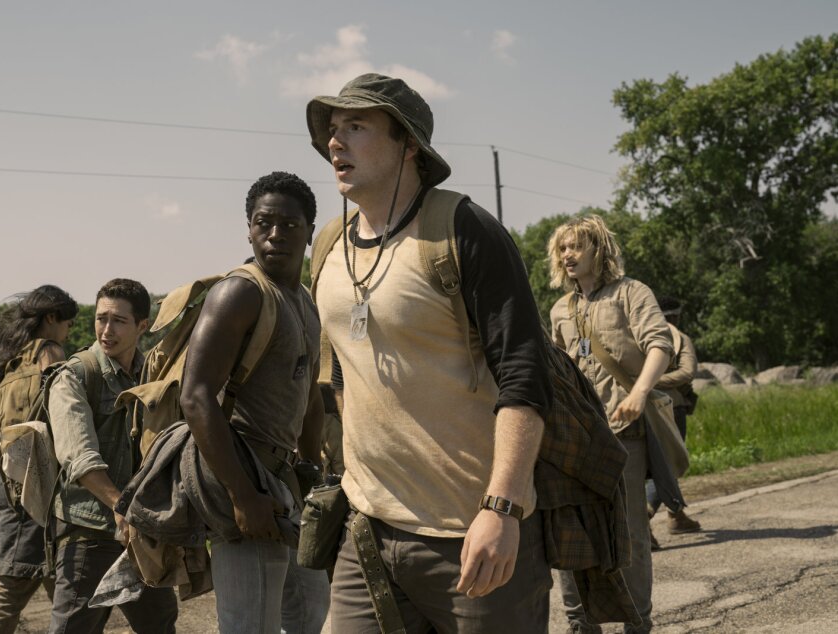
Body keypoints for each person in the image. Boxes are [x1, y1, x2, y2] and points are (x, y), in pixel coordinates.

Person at [307, 73, 554, 631]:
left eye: (356, 126)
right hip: (367, 528)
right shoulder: (328, 245)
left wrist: (502, 509)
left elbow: (525, 375)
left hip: (472, 533)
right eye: (333, 129)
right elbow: (341, 372)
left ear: (409, 145)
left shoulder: (463, 229)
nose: (334, 142)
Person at [180, 171, 331, 634]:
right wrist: (243, 495)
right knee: (250, 625)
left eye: (289, 225)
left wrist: (313, 473)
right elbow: (195, 395)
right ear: (249, 229)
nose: (275, 234)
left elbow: (309, 397)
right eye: (264, 223)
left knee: (309, 612)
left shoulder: (305, 301)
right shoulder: (241, 292)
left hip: (287, 484)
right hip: (243, 476)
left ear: (309, 232)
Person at [548, 215, 674, 634]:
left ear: (598, 249)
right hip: (575, 438)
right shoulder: (560, 309)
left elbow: (660, 345)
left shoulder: (631, 293)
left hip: (624, 432)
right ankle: (581, 624)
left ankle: (638, 623)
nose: (568, 255)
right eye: (563, 248)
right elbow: (556, 371)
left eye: (576, 246)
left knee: (631, 531)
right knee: (570, 532)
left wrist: (639, 393)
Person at [47, 278, 178, 633]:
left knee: (159, 625)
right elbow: (79, 456)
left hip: (143, 531)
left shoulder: (153, 376)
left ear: (142, 326)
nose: (106, 330)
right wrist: (121, 507)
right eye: (101, 318)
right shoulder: (76, 375)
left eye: (118, 321)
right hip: (90, 531)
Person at [0, 285, 77, 634]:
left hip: (10, 477)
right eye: (69, 323)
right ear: (52, 317)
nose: (69, 331)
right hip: (32, 481)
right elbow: (63, 414)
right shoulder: (48, 353)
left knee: (63, 581)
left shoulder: (13, 358)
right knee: (12, 584)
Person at [646, 296, 702, 548]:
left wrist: (642, 384)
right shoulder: (680, 338)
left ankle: (676, 515)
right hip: (671, 407)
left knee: (656, 461)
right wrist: (652, 381)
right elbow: (688, 372)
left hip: (640, 404)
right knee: (669, 462)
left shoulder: (637, 332)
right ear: (675, 315)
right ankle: (644, 515)